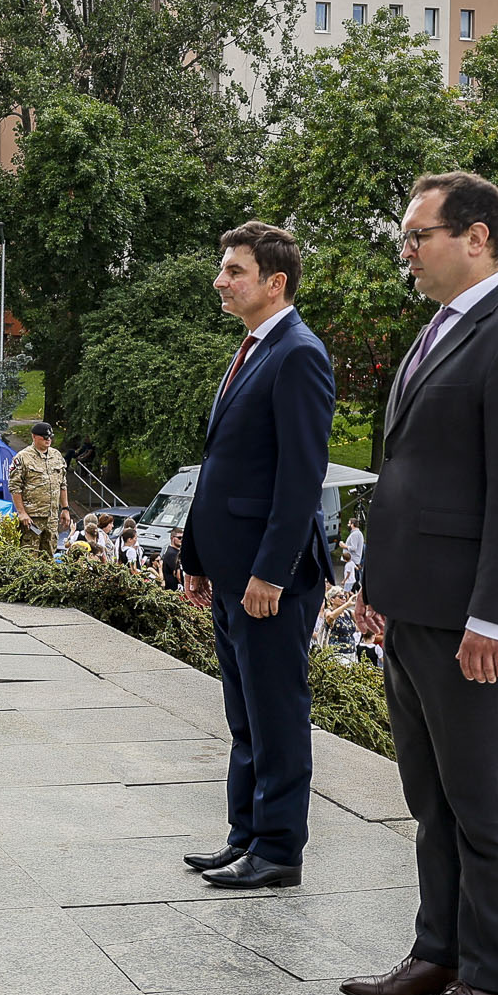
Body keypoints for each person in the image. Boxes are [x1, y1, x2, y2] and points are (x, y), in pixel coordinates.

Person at [342, 172, 498, 995]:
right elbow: (414, 474)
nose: (407, 249)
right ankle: (437, 951)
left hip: (471, 619)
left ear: (477, 237)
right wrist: (377, 582)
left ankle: (491, 985)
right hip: (413, 606)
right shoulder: (442, 328)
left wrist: (492, 617)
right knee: (431, 799)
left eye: (418, 234)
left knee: (485, 806)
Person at [176, 220, 335, 897]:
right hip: (232, 571)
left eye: (234, 270)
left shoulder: (298, 352)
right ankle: (245, 835)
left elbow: (301, 475)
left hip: (269, 579)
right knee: (244, 713)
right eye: (223, 267)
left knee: (274, 714)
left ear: (276, 282)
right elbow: (221, 464)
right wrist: (195, 552)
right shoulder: (252, 347)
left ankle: (277, 849)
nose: (220, 279)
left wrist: (271, 570)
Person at [7, 423, 71, 556]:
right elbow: (14, 487)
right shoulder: (22, 458)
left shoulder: (56, 456)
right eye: (44, 437)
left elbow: (62, 484)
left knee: (48, 557)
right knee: (29, 557)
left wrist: (65, 508)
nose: (48, 440)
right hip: (32, 518)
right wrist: (22, 513)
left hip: (51, 517)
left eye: (50, 437)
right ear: (34, 437)